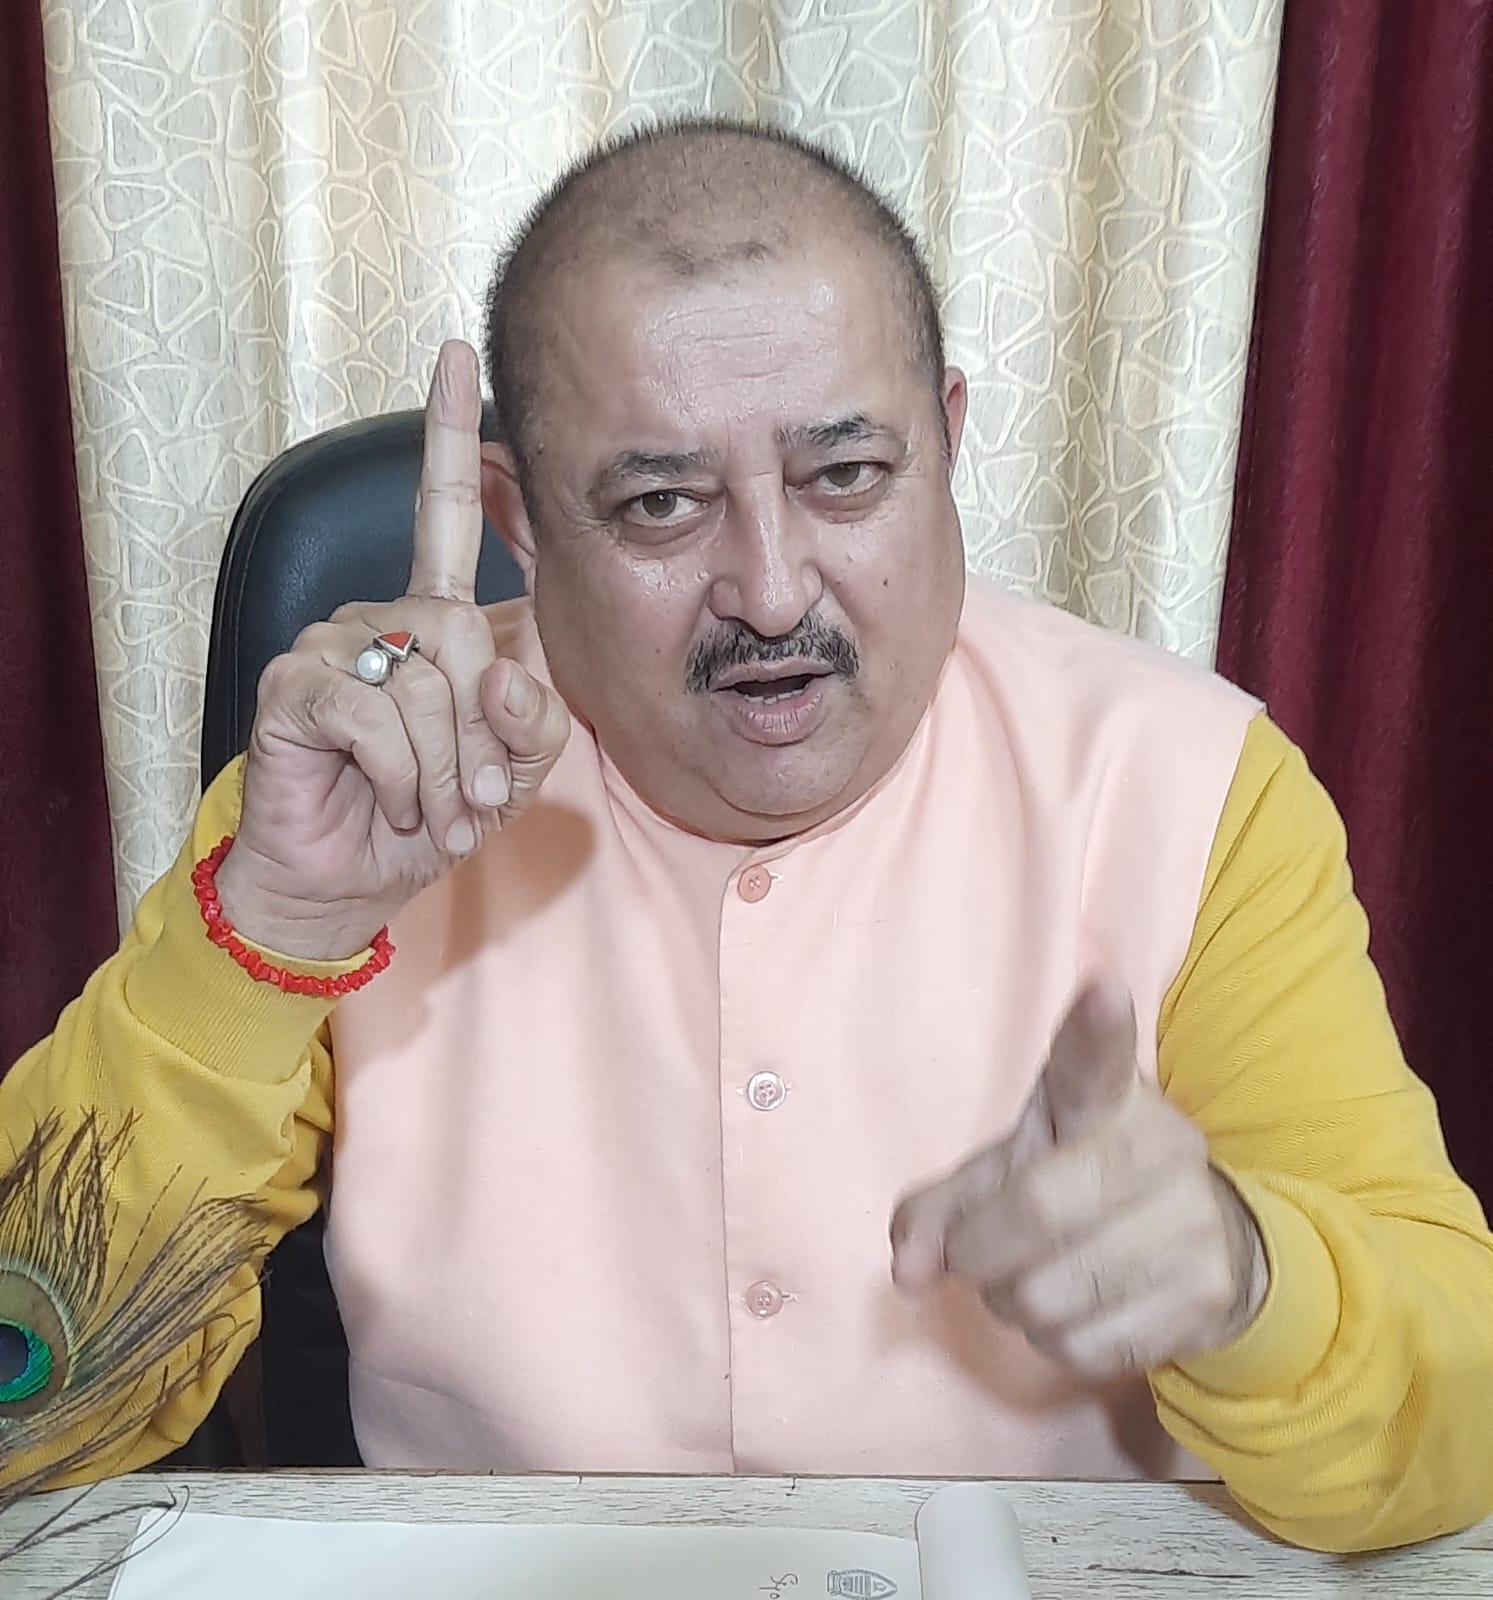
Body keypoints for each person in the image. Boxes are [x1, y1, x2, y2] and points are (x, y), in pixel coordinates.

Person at [2, 118, 1491, 1554]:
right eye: (662, 503)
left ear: (947, 443)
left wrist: (1245, 1277)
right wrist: (271, 933)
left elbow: (1459, 1434)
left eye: (846, 476)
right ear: (520, 520)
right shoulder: (364, 791)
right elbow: (28, 1414)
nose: (773, 591)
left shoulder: (1191, 785)